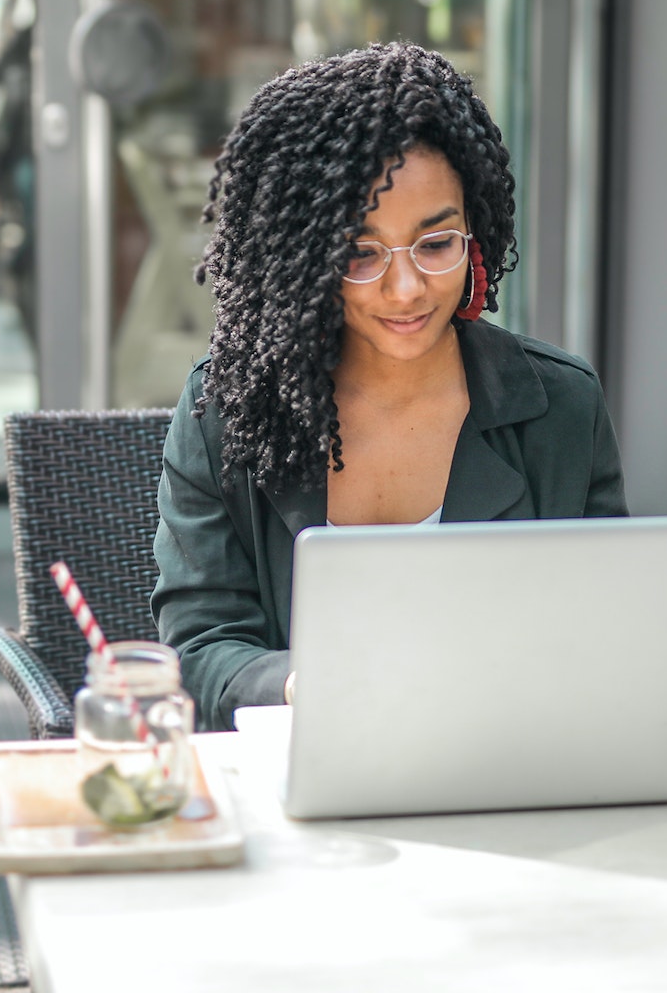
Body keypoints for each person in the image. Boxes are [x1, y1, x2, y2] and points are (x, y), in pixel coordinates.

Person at [151, 41, 628, 729]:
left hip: (512, 771)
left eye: (436, 245)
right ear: (304, 259)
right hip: (304, 784)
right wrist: (299, 682)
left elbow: (607, 636)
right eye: (360, 253)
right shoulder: (227, 412)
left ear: (477, 234)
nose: (406, 290)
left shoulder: (560, 408)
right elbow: (199, 650)